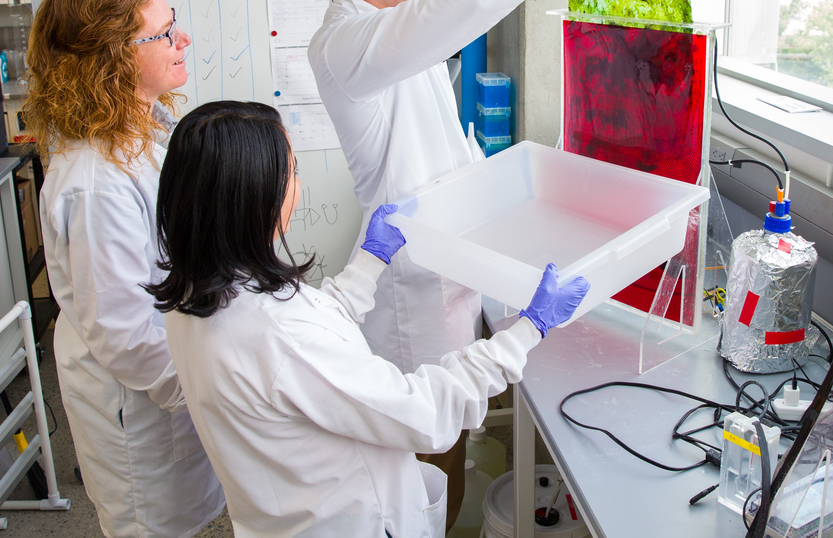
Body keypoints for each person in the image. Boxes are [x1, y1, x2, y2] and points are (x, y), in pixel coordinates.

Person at [309, 0, 661, 522]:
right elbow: (455, 9)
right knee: (428, 452)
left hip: (453, 263)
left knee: (453, 439)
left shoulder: (391, 25)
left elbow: (452, 2)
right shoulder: (349, 44)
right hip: (412, 290)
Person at [149, 100, 589, 538]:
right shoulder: (279, 337)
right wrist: (527, 331)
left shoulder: (195, 295)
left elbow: (317, 330)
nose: (298, 187)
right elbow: (424, 413)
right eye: (293, 172)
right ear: (256, 198)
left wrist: (371, 260)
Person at [25, 0, 226, 537]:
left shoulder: (144, 127)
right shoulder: (95, 183)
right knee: (152, 525)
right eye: (163, 33)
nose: (181, 40)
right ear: (109, 58)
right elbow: (124, 333)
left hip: (174, 372)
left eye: (174, 24)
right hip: (138, 404)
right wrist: (217, 397)